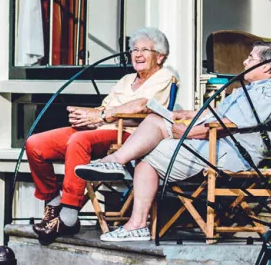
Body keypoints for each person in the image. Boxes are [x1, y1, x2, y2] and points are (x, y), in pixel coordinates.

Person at [75, 41, 271, 241]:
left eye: (251, 58)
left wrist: (185, 132)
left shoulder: (269, 92)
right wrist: (184, 114)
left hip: (229, 153)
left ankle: (136, 222)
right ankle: (116, 162)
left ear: (267, 66)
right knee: (154, 119)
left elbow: (226, 126)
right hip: (216, 144)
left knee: (148, 154)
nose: (245, 62)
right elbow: (216, 113)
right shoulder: (249, 90)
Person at [26, 27, 177, 244]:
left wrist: (101, 116)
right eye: (134, 49)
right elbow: (104, 108)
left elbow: (142, 106)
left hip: (128, 135)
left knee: (78, 141)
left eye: (145, 49)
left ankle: (68, 215)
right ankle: (54, 201)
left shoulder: (164, 77)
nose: (137, 54)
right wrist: (86, 115)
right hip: (100, 129)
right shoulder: (126, 80)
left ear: (160, 56)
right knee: (35, 144)